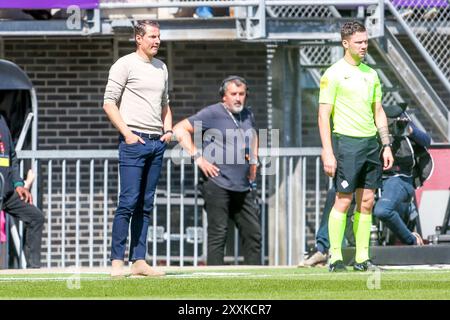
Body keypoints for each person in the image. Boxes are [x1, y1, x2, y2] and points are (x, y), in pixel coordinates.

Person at [318, 21, 394, 272]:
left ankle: (363, 259)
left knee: (367, 201)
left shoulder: (371, 74)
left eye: (366, 41)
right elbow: (323, 115)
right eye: (359, 42)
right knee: (343, 199)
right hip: (346, 143)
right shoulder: (333, 74)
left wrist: (386, 145)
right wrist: (328, 151)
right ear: (345, 43)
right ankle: (335, 256)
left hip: (370, 144)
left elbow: (379, 111)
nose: (364, 46)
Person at [103, 20, 172, 277]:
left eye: (158, 37)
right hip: (134, 143)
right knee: (128, 202)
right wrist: (128, 135)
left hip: (157, 143)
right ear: (138, 39)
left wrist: (168, 130)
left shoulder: (161, 67)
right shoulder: (124, 64)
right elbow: (109, 103)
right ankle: (117, 262)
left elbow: (165, 104)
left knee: (146, 203)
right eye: (152, 37)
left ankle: (139, 260)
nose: (157, 41)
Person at [173, 75, 261, 265]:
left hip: (243, 184)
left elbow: (253, 136)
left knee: (253, 234)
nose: (238, 98)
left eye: (242, 94)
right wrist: (199, 158)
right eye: (233, 94)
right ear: (224, 96)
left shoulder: (248, 114)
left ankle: (255, 281)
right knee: (218, 233)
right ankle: (215, 280)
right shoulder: (211, 113)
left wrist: (254, 161)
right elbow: (179, 129)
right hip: (216, 182)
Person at [373, 104, 431, 246]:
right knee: (335, 195)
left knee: (382, 210)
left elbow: (427, 141)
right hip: (374, 177)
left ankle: (412, 240)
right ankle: (322, 248)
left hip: (399, 177)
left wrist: (409, 130)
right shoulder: (372, 125)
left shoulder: (404, 123)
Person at [0, 114, 44, 268]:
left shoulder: (2, 121)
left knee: (36, 217)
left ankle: (33, 268)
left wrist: (19, 184)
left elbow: (11, 157)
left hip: (7, 192)